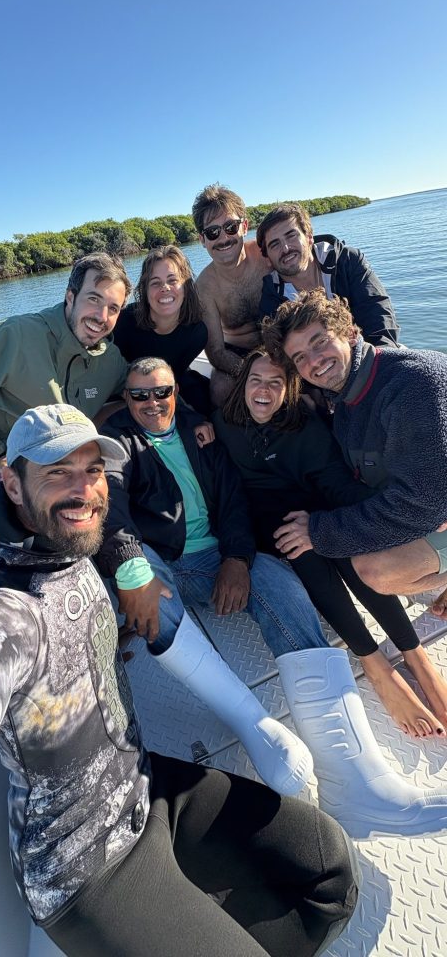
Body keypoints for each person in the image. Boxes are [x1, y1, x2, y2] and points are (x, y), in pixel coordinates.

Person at [0, 403, 360, 957]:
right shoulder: (2, 612)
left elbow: (119, 533)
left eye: (92, 470)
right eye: (56, 472)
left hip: (146, 786)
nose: (83, 489)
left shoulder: (77, 548)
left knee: (329, 872)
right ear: (12, 486)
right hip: (86, 865)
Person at [98, 357, 447, 838]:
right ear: (127, 398)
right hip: (162, 560)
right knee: (145, 583)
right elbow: (110, 500)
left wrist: (238, 558)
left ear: (178, 392)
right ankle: (253, 723)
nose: (152, 403)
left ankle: (356, 785)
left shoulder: (202, 431)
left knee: (286, 592)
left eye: (162, 392)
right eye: (140, 395)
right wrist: (130, 566)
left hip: (217, 554)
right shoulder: (118, 442)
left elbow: (234, 497)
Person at [214, 347, 446, 738]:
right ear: (244, 386)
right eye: (256, 380)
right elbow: (229, 493)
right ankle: (373, 662)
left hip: (316, 506)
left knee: (340, 545)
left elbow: (337, 484)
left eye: (276, 383)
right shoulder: (223, 425)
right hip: (270, 521)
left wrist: (403, 523)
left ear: (289, 390)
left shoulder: (304, 424)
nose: (264, 391)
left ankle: (413, 651)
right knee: (304, 551)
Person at [262, 291, 447, 727]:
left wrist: (321, 531)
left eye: (320, 342)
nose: (315, 361)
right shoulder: (344, 401)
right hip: (431, 507)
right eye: (301, 357)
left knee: (374, 570)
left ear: (350, 331)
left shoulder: (412, 383)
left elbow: (424, 502)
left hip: (436, 504)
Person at [0, 251, 131, 494]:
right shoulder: (15, 335)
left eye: (113, 308)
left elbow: (136, 390)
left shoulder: (110, 359)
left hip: (76, 462)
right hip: (13, 464)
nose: (101, 316)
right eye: (93, 299)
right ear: (70, 297)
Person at [256, 203, 399, 347]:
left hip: (369, 355)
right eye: (275, 244)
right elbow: (278, 351)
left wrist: (374, 360)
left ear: (309, 237)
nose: (286, 248)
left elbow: (379, 318)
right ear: (267, 259)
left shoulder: (347, 261)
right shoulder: (272, 296)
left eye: (292, 236)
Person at [191, 184, 271, 405]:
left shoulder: (267, 257)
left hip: (285, 344)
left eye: (230, 227)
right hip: (238, 354)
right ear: (202, 240)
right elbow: (216, 352)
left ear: (244, 226)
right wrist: (256, 373)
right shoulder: (204, 288)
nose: (223, 238)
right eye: (213, 232)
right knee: (220, 387)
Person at [113, 244, 211, 414]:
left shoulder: (196, 333)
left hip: (169, 383)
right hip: (129, 392)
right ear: (145, 291)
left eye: (172, 280)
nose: (165, 288)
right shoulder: (124, 323)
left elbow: (175, 375)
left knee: (203, 398)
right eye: (155, 283)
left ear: (186, 287)